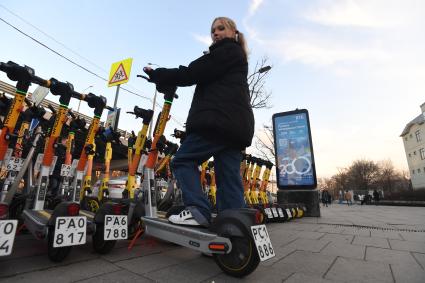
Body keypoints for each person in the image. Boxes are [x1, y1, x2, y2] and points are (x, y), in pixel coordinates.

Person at [143, 17, 254, 227]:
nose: (216, 33)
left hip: (217, 122)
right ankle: (233, 229)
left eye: (221, 28)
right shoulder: (237, 57)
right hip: (236, 128)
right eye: (213, 30)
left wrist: (159, 75)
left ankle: (198, 211)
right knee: (228, 179)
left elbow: (191, 73)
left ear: (233, 33)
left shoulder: (226, 51)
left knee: (182, 161)